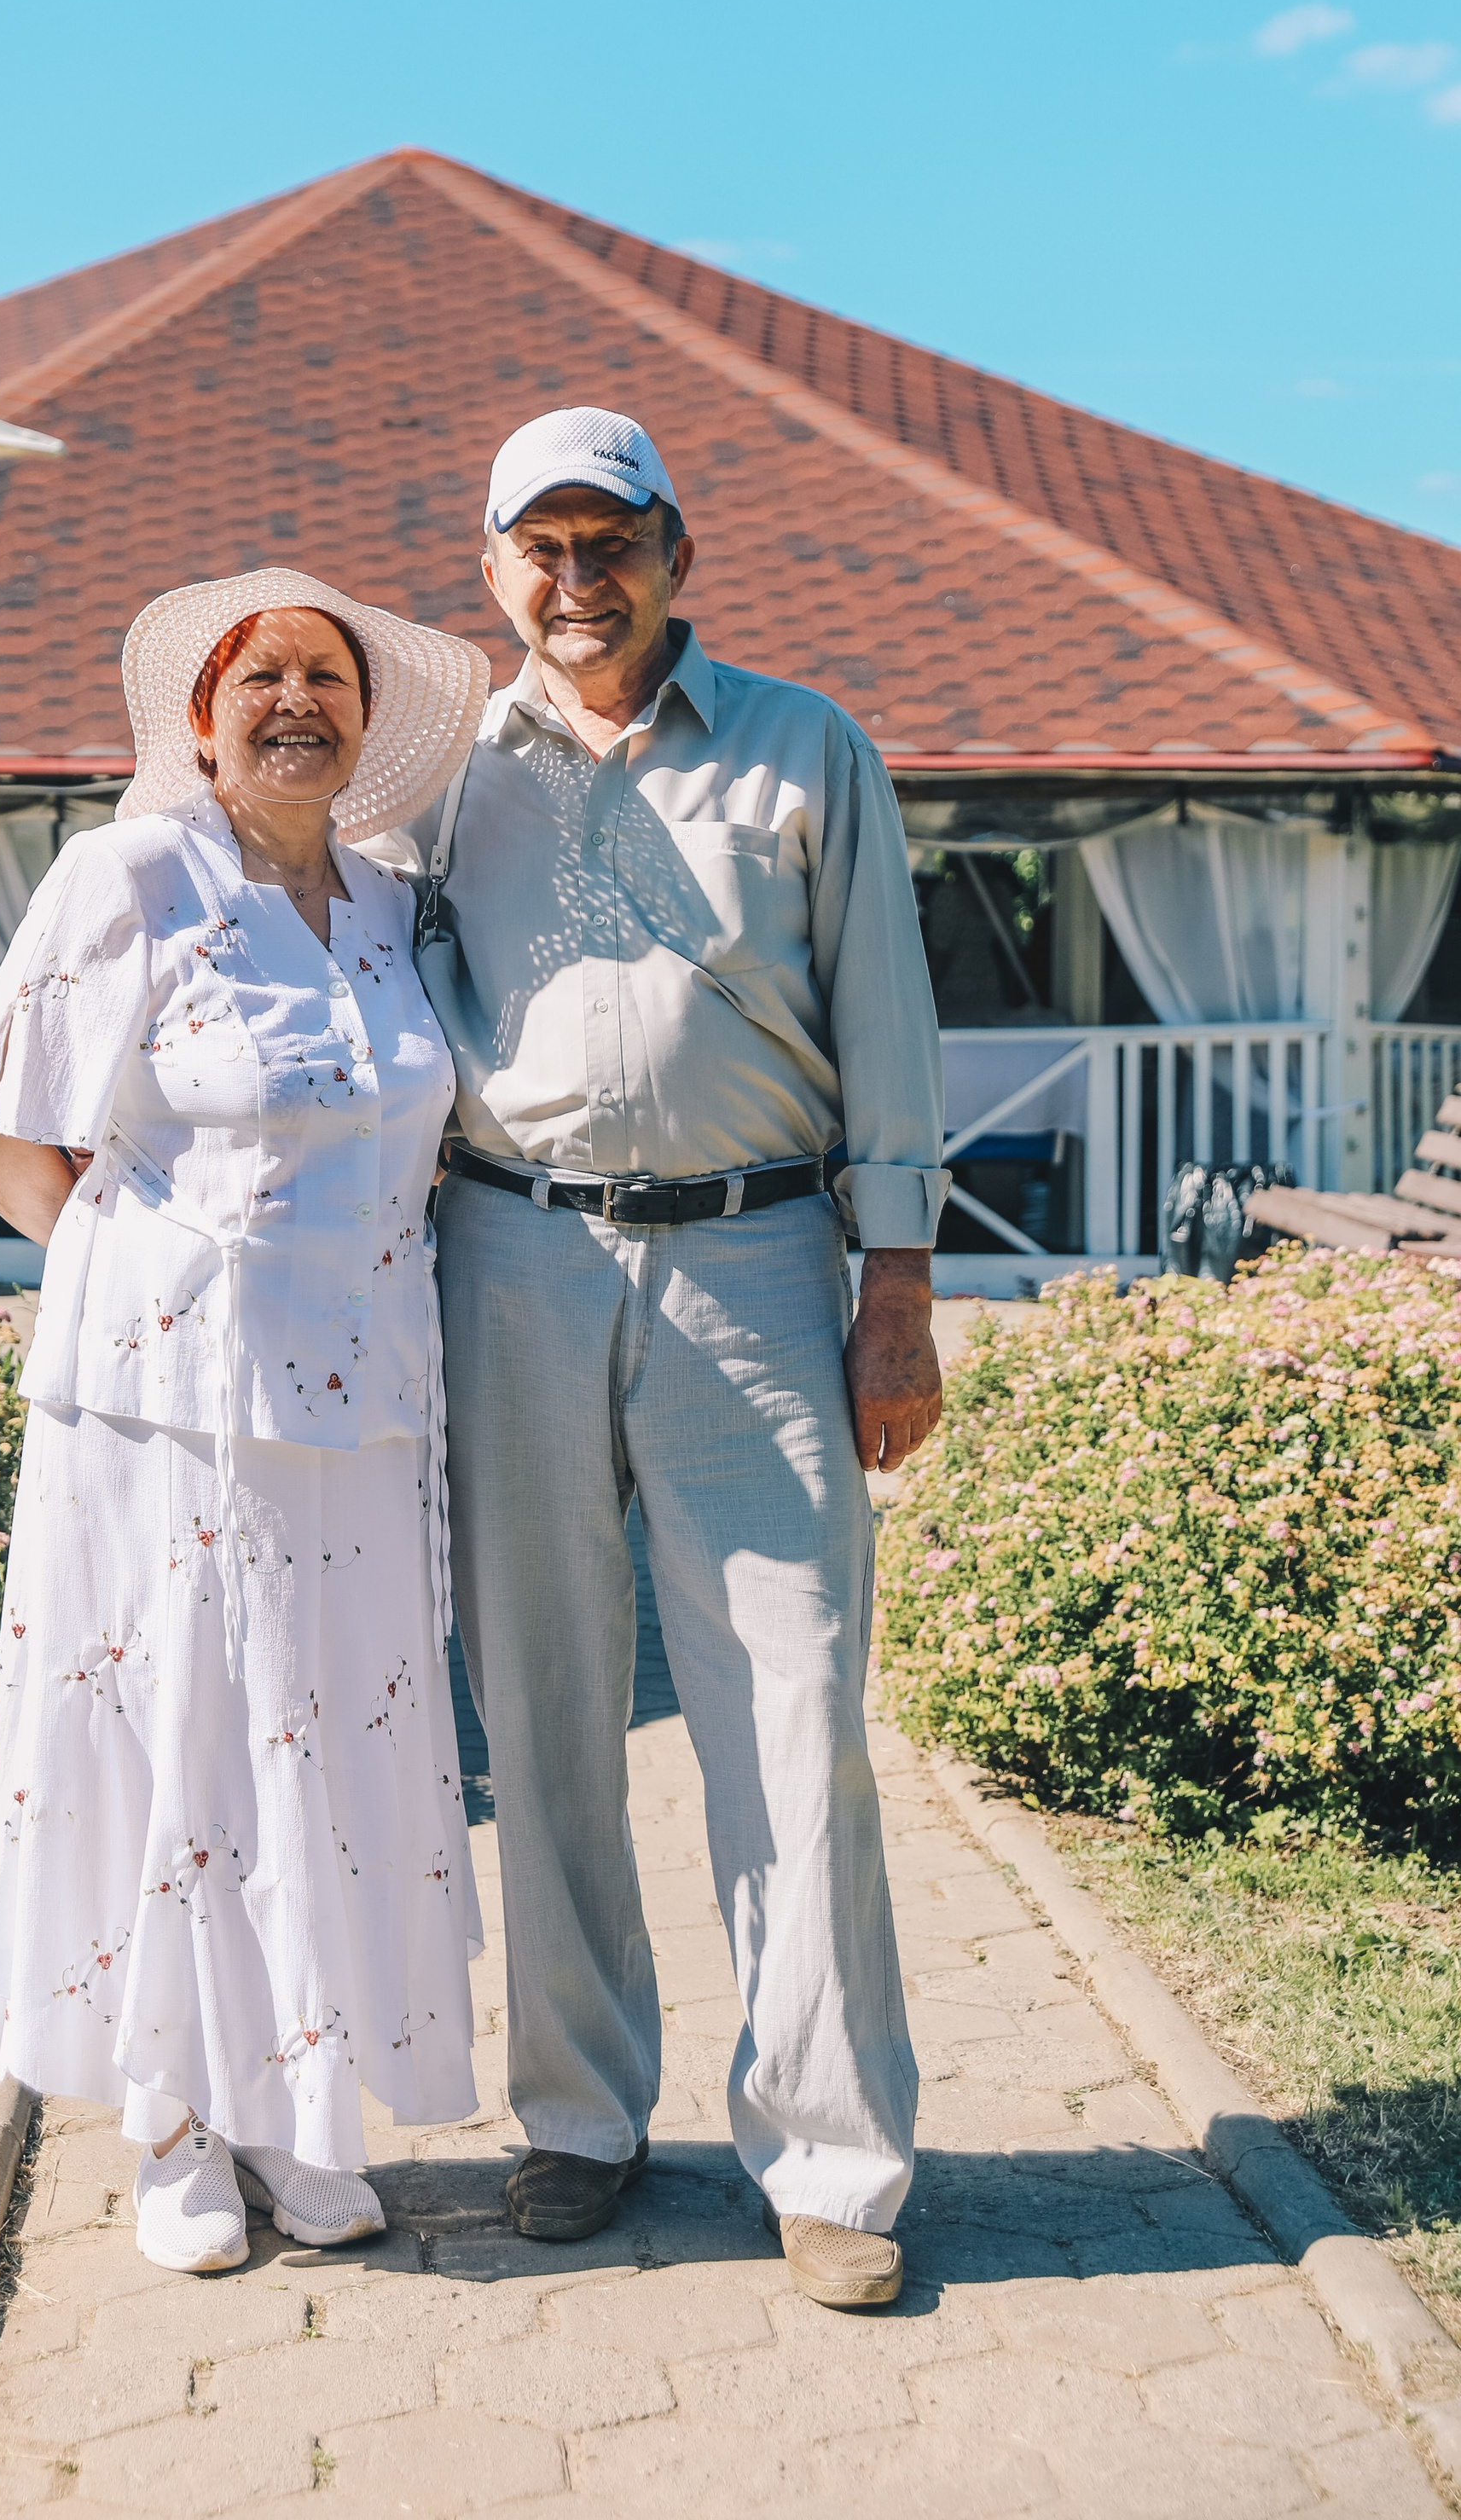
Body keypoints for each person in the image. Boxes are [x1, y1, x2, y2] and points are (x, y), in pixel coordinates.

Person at [379, 406, 946, 2312]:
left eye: (607, 540)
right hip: (508, 1258)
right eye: (537, 547)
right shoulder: (438, 773)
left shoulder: (805, 745)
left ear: (675, 553)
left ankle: (830, 2161)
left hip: (762, 1265)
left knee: (795, 1707)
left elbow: (888, 1015)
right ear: (489, 573)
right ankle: (576, 2117)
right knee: (536, 1706)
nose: (575, 578)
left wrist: (894, 1287)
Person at [0, 569, 490, 2276]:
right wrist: (131, 1274)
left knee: (316, 1747)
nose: (294, 702)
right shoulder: (127, 877)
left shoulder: (395, 909)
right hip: (167, 1413)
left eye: (327, 677)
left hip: (367, 1408)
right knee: (183, 1736)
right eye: (259, 678)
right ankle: (171, 2120)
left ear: (367, 723)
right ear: (199, 721)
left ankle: (291, 2109)